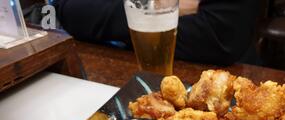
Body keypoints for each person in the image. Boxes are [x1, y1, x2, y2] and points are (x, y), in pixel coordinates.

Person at [53, 0, 264, 66]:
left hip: (220, 80)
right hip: (121, 71)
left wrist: (129, 13)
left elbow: (218, 39)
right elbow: (71, 11)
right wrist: (159, 5)